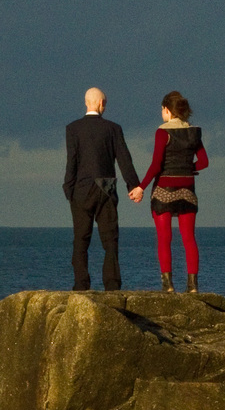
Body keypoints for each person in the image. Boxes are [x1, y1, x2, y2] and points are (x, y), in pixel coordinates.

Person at [62, 88, 142, 291]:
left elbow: (72, 161)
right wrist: (133, 185)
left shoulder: (73, 128)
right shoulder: (113, 128)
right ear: (100, 103)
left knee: (81, 239)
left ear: (86, 102)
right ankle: (112, 284)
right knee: (110, 239)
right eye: (105, 103)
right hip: (106, 186)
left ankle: (81, 284)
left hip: (81, 187)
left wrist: (68, 188)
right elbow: (124, 159)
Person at [140, 90, 209, 293]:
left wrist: (141, 187)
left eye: (162, 110)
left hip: (164, 190)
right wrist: (188, 168)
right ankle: (193, 286)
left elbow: (156, 165)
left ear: (167, 110)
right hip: (187, 190)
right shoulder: (194, 132)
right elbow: (204, 162)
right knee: (189, 238)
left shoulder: (162, 132)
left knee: (164, 238)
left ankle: (168, 285)